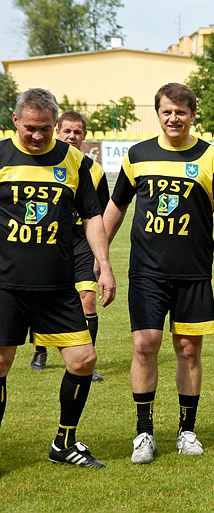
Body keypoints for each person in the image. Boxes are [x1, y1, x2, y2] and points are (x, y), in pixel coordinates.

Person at [103, 83, 214, 464]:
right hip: (146, 272)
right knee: (144, 345)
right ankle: (143, 433)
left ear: (193, 115)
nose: (173, 118)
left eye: (181, 112)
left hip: (193, 273)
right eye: (167, 111)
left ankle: (187, 430)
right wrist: (101, 256)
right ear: (158, 113)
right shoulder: (138, 155)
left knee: (188, 350)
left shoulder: (212, 158)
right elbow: (116, 206)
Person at [0, 88, 115, 468]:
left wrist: (104, 264)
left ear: (55, 124)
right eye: (30, 128)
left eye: (45, 129)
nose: (37, 135)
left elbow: (93, 216)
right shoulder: (1, 156)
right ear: (15, 121)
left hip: (56, 284)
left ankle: (64, 443)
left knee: (83, 360)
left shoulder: (73, 160)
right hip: (6, 284)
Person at [30, 111, 109, 382]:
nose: (72, 136)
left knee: (88, 299)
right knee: (41, 297)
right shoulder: (43, 163)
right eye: (67, 131)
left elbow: (100, 214)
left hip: (82, 242)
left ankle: (87, 359)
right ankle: (40, 350)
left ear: (84, 136)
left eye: (77, 132)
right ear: (57, 131)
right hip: (52, 241)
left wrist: (102, 256)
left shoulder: (94, 170)